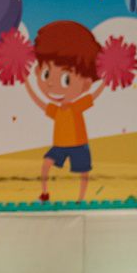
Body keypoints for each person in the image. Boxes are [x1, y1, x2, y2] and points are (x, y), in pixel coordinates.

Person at [24, 21, 111, 203]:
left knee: (83, 172)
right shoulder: (57, 110)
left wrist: (106, 79)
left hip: (79, 144)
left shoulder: (76, 107)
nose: (51, 84)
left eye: (66, 79)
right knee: (46, 163)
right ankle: (45, 193)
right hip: (60, 145)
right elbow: (39, 102)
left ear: (86, 83)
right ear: (38, 72)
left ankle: (81, 199)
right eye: (46, 74)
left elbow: (94, 95)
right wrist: (26, 82)